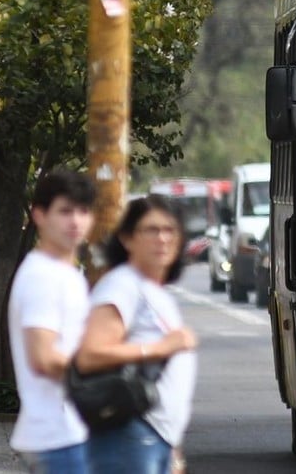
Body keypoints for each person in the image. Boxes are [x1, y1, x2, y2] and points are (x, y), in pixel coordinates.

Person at [75, 194, 198, 474]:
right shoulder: (122, 286)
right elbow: (90, 355)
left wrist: (173, 451)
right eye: (151, 230)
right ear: (127, 238)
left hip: (154, 437)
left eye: (170, 230)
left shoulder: (153, 290)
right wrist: (160, 348)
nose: (162, 238)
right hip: (131, 432)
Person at [7, 169, 97, 473]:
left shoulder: (66, 273)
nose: (75, 221)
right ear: (39, 215)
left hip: (69, 431)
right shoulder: (41, 277)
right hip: (56, 436)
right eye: (65, 211)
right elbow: (43, 358)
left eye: (83, 211)